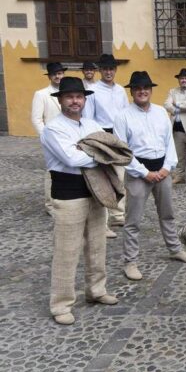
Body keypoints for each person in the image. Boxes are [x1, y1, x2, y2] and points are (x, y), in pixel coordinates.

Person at [41, 77, 120, 325]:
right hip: (68, 191)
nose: (75, 101)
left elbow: (108, 150)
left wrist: (89, 151)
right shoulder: (53, 129)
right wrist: (98, 154)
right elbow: (71, 158)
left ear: (84, 100)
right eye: (69, 97)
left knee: (97, 244)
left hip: (95, 189)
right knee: (67, 250)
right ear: (61, 100)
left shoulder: (91, 124)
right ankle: (61, 304)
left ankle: (96, 290)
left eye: (79, 97)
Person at [114, 70, 186, 282]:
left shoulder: (161, 112)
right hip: (138, 172)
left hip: (162, 170)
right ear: (132, 92)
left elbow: (169, 142)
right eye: (138, 89)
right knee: (133, 220)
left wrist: (167, 167)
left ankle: (174, 248)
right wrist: (144, 172)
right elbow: (122, 151)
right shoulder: (122, 116)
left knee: (168, 214)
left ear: (150, 91)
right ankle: (130, 261)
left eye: (146, 88)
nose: (142, 92)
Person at [83, 53, 129, 228]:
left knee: (121, 175)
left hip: (119, 136)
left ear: (115, 70)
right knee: (102, 176)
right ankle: (102, 213)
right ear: (100, 70)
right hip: (102, 134)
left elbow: (126, 114)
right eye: (105, 69)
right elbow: (88, 117)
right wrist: (97, 139)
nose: (108, 72)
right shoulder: (93, 90)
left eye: (111, 69)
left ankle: (118, 214)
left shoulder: (120, 90)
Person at [32, 62, 65, 216]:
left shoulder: (67, 91)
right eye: (55, 74)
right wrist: (45, 137)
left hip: (67, 136)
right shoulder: (41, 94)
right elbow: (37, 119)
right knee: (52, 171)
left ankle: (64, 200)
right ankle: (50, 204)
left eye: (60, 73)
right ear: (50, 76)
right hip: (51, 137)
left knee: (67, 169)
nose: (58, 76)